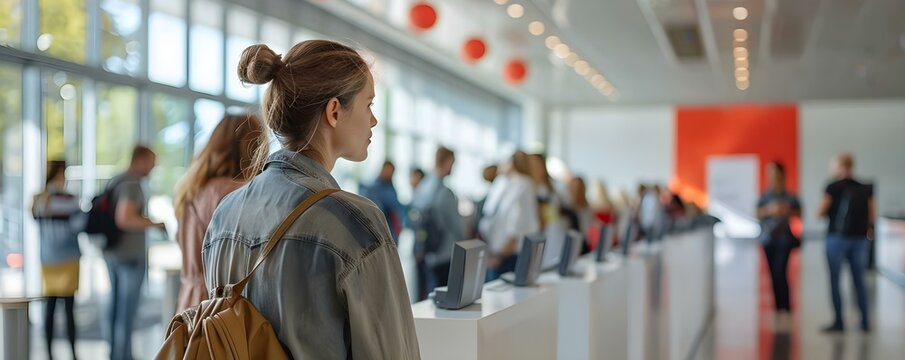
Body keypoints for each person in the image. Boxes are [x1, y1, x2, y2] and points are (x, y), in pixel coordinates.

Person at [203, 41, 419, 358]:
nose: (373, 121)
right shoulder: (353, 221)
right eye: (369, 104)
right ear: (334, 111)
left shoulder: (225, 214)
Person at [173, 114, 265, 312]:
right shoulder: (239, 192)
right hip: (221, 311)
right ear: (256, 147)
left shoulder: (193, 189)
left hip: (189, 304)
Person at [105, 145, 165, 360]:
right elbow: (124, 218)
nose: (153, 167)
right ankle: (122, 356)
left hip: (112, 252)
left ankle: (115, 354)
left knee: (115, 308)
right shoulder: (132, 183)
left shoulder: (117, 179)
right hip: (129, 255)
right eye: (151, 162)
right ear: (139, 160)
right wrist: (154, 224)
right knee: (126, 312)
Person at [818, 153, 875, 333]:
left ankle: (839, 322)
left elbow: (821, 211)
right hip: (859, 239)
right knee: (859, 279)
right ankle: (865, 321)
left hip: (837, 237)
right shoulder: (865, 187)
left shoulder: (832, 186)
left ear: (840, 166)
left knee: (835, 279)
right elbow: (872, 213)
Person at [32, 160, 82, 360]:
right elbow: (78, 224)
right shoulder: (68, 199)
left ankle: (52, 353)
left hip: (50, 260)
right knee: (65, 309)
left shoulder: (39, 200)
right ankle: (69, 353)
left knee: (52, 308)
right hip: (66, 258)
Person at [411, 146, 464, 299]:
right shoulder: (444, 192)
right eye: (453, 163)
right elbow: (456, 226)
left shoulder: (423, 186)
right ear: (447, 162)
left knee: (427, 297)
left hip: (426, 251)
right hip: (445, 253)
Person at [480, 151, 540, 280]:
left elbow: (516, 226)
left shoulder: (523, 185)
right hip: (495, 252)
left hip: (507, 255)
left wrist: (499, 256)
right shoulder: (504, 183)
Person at [756, 161, 801, 319]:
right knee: (773, 274)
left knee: (781, 271)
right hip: (768, 239)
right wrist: (770, 210)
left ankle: (786, 306)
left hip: (784, 239)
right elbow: (757, 214)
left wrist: (785, 210)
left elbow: (799, 213)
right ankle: (777, 307)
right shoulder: (765, 196)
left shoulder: (789, 196)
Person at [363, 161, 405, 243]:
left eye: (391, 171)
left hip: (390, 229)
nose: (388, 173)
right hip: (376, 229)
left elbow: (396, 207)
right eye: (386, 169)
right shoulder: (372, 188)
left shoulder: (391, 188)